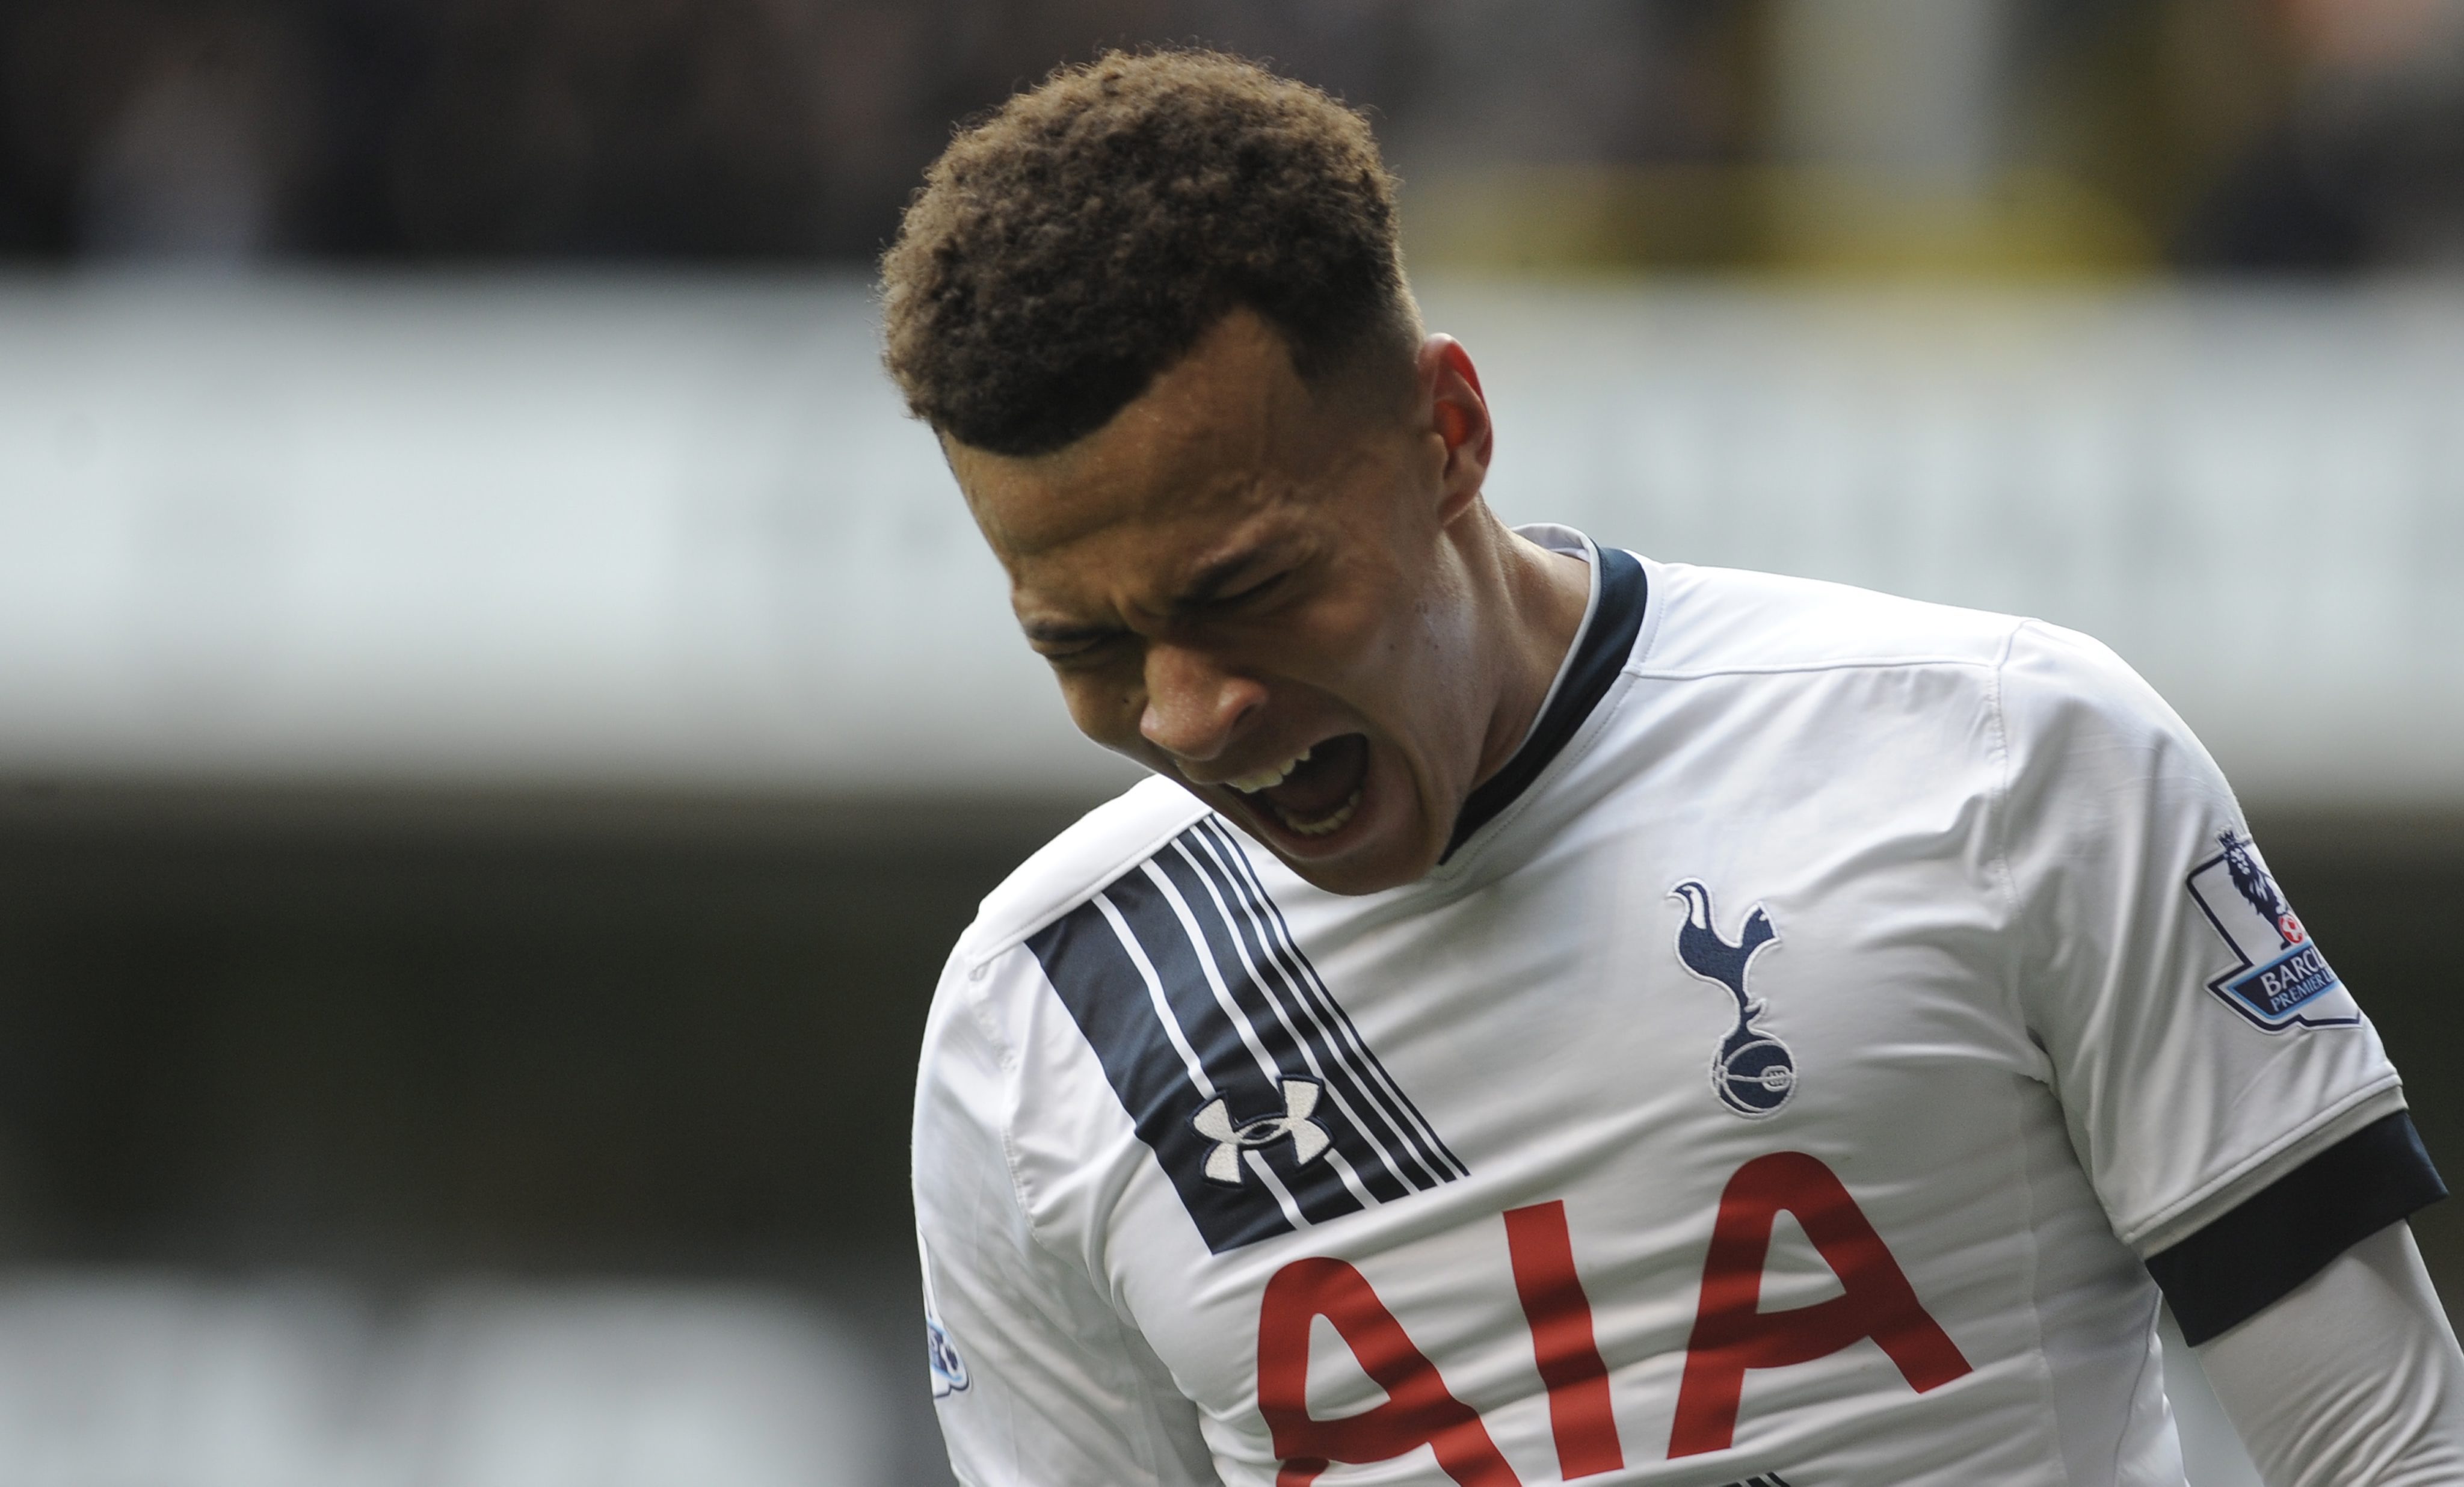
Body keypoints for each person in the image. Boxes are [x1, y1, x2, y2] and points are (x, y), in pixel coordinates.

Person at [882, 49, 2464, 1487]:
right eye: (1084, 649)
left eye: (1244, 592)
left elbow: (2381, 1447)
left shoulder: (2003, 756)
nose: (1185, 712)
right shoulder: (1043, 1024)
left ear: (1448, 433)